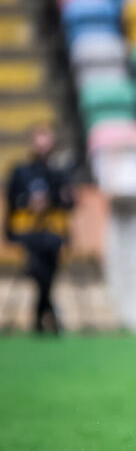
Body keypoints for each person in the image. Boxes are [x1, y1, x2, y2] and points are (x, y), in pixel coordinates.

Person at [4, 125, 74, 334]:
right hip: (28, 232)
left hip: (52, 233)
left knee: (47, 270)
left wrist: (54, 200)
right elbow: (11, 202)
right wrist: (27, 202)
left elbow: (69, 204)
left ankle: (40, 317)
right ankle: (48, 316)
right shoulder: (21, 171)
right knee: (38, 267)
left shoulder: (58, 173)